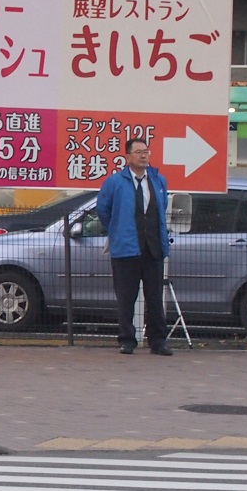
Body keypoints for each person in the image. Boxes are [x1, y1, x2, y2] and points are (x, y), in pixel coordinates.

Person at [95, 136, 173, 356]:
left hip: (153, 248)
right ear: (127, 156)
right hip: (126, 249)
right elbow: (103, 209)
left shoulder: (158, 181)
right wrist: (117, 231)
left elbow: (162, 206)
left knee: (155, 297)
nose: (144, 155)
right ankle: (127, 339)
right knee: (126, 297)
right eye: (138, 152)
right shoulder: (115, 182)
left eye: (146, 151)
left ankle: (157, 341)